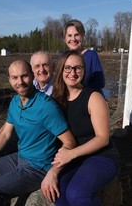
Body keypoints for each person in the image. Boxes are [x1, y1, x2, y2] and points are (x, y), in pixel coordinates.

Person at [0, 59, 76, 206]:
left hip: (38, 168)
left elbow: (70, 142)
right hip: (20, 157)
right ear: (9, 80)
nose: (20, 81)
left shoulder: (46, 106)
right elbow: (6, 134)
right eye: (15, 77)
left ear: (32, 76)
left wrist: (54, 172)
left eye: (24, 76)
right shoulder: (15, 102)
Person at [41, 50, 119, 205]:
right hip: (73, 160)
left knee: (77, 194)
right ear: (61, 70)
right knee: (59, 194)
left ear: (84, 72)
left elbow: (103, 138)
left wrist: (71, 154)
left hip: (100, 156)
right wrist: (53, 171)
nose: (73, 72)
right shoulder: (55, 99)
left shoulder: (93, 97)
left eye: (78, 68)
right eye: (68, 68)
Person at [0, 51, 55, 155]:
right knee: (1, 147)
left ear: (53, 66)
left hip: (44, 137)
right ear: (32, 70)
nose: (41, 70)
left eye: (45, 65)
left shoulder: (59, 88)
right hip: (27, 127)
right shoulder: (30, 85)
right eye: (37, 66)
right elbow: (14, 115)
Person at [62, 19, 105, 97]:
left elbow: (100, 82)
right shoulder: (64, 57)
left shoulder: (91, 55)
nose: (73, 39)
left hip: (89, 100)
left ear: (82, 36)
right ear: (65, 39)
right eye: (69, 35)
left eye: (76, 35)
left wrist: (81, 94)